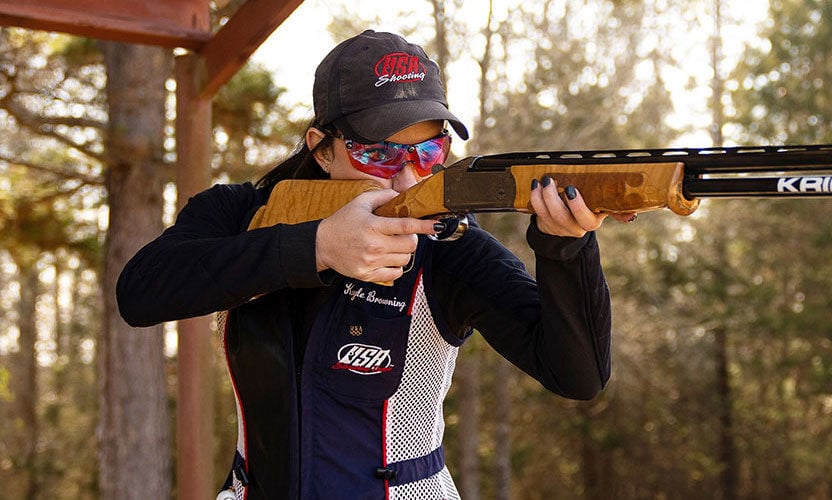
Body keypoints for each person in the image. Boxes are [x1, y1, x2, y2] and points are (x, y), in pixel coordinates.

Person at [117, 30, 620, 499]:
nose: (406, 178)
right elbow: (140, 292)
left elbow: (577, 375)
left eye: (429, 151)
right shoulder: (241, 213)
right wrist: (316, 247)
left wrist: (565, 248)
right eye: (379, 154)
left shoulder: (449, 244)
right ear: (321, 149)